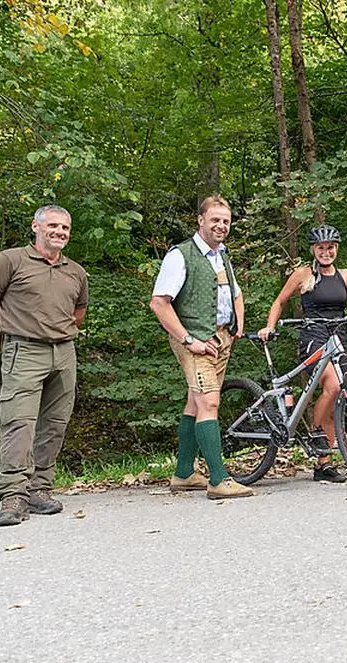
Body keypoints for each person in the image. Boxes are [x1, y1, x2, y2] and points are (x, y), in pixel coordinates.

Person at [0, 205, 89, 526]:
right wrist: (17, 328)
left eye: (65, 227)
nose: (59, 232)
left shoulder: (75, 272)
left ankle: (39, 489)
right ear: (35, 226)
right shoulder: (9, 261)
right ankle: (13, 494)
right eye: (52, 225)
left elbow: (77, 314)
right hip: (24, 351)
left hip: (64, 352)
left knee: (55, 422)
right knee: (19, 421)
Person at [149, 195, 252, 499]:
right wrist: (189, 340)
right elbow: (159, 303)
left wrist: (238, 326)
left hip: (220, 339)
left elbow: (235, 294)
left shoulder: (222, 255)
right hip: (194, 341)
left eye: (226, 221)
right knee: (209, 403)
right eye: (215, 219)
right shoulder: (180, 255)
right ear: (201, 220)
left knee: (196, 403)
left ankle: (183, 473)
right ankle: (219, 480)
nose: (221, 225)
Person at [257, 226, 347, 483]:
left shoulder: (345, 275)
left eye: (331, 247)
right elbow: (280, 301)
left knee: (338, 395)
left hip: (338, 338)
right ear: (314, 249)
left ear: (337, 248)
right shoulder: (304, 274)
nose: (327, 251)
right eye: (321, 247)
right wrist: (269, 326)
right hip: (313, 339)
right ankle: (317, 434)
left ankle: (323, 463)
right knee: (333, 386)